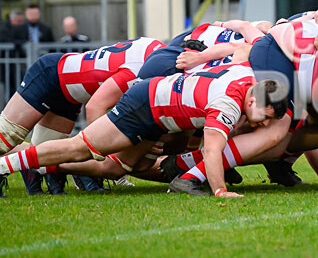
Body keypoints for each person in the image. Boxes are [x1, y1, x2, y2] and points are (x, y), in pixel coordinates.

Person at [0, 65, 290, 199]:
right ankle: (5, 164)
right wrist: (220, 191)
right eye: (264, 118)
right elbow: (213, 150)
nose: (262, 125)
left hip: (159, 114)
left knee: (118, 168)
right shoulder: (227, 104)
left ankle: (43, 165)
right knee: (80, 148)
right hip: (145, 106)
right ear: (253, 100)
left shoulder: (246, 75)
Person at [0, 37, 165, 196]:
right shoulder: (138, 71)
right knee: (7, 136)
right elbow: (95, 106)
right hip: (50, 75)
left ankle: (34, 178)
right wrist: (97, 154)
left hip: (70, 94)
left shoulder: (156, 51)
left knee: (45, 155)